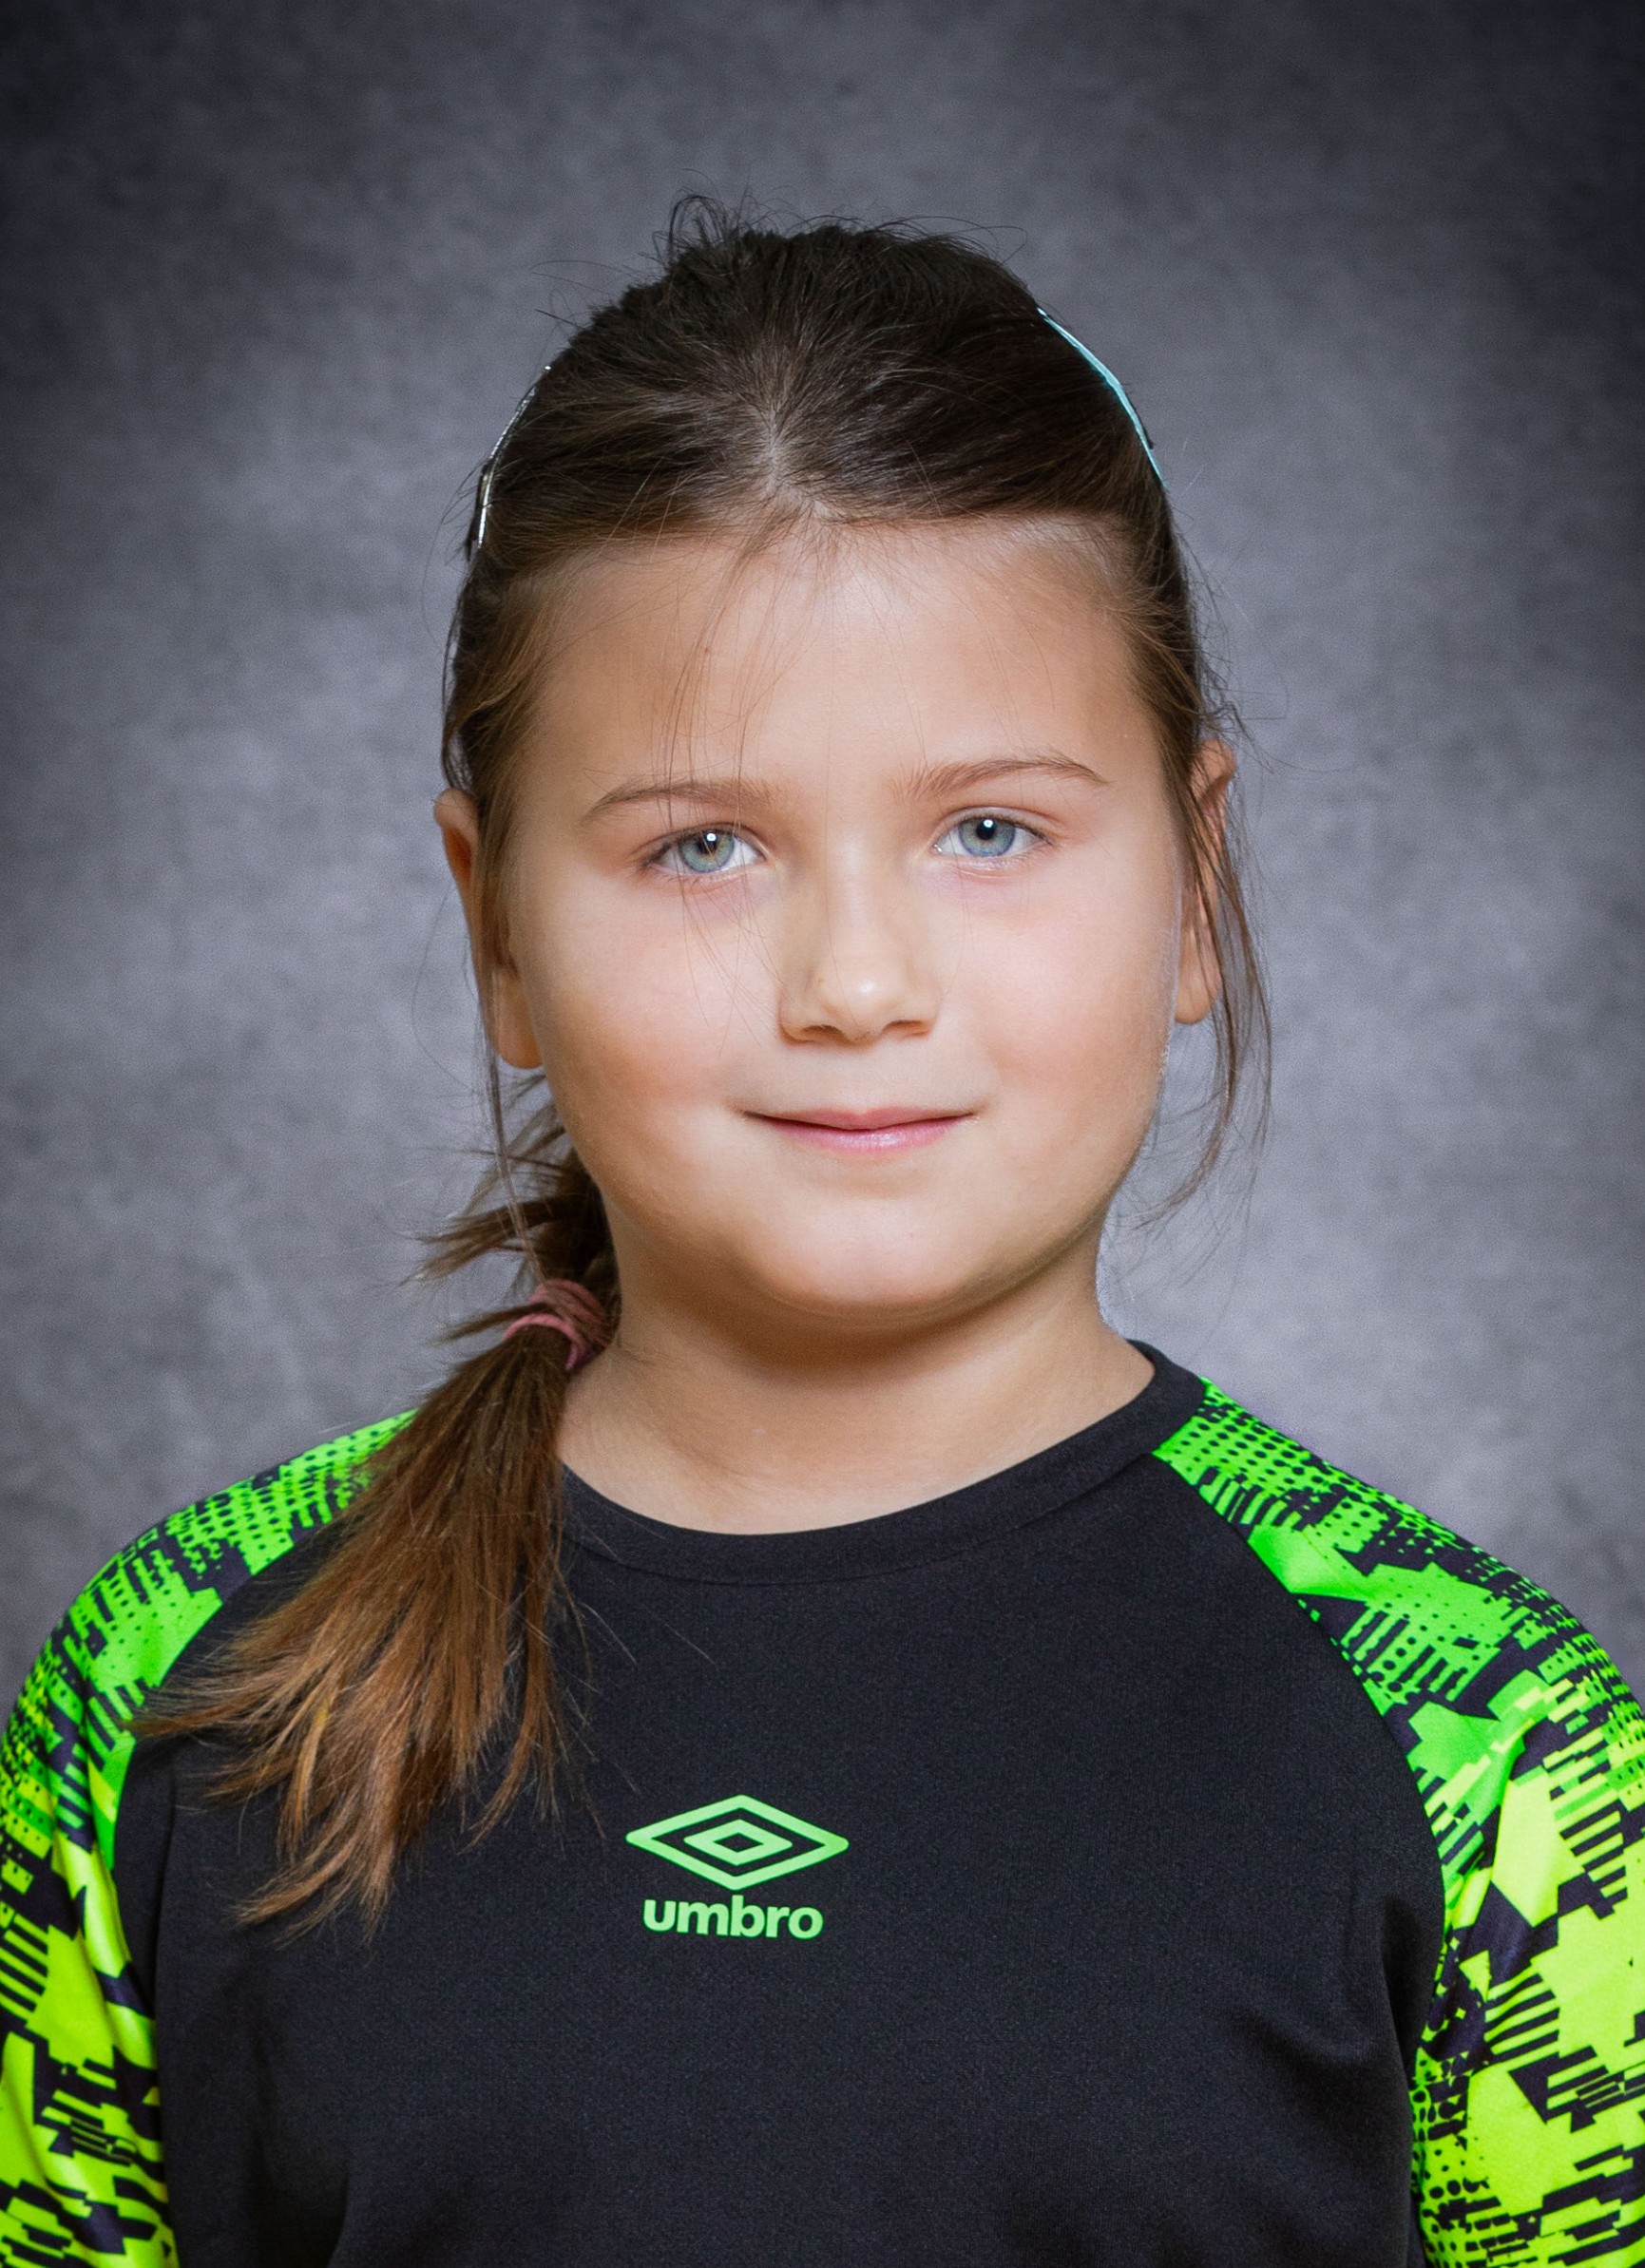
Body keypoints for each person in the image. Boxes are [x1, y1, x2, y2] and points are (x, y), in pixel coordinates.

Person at [1, 205, 1640, 2268]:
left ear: (1193, 884)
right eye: (704, 845)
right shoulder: (185, 1680)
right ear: (495, 924)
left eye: (989, 830)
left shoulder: (1482, 1737)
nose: (857, 983)